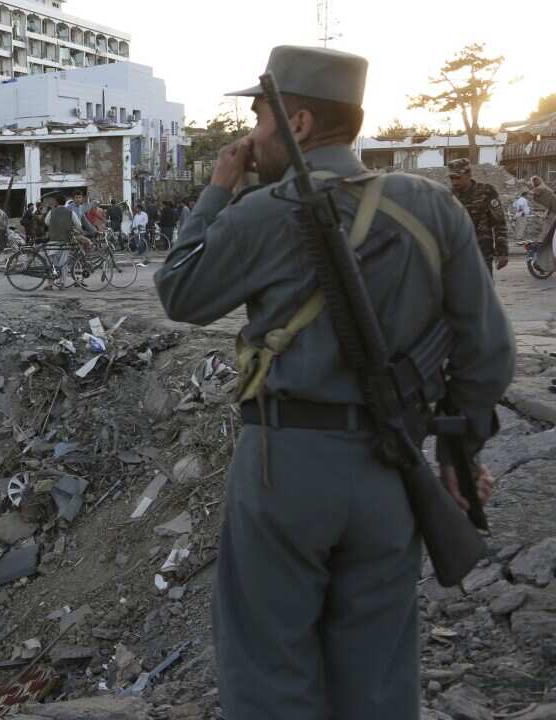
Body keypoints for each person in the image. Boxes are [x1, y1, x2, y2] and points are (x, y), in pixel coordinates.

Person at [154, 45, 515, 720]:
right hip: (390, 467)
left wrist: (215, 191)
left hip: (283, 466)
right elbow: (487, 354)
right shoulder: (432, 209)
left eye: (260, 116)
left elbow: (179, 290)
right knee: (378, 679)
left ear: (299, 120)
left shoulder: (262, 210)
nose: (250, 135)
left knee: (270, 672)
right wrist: (459, 454)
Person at [447, 158, 508, 276]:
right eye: (451, 178)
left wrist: (502, 252)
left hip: (482, 253)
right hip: (456, 255)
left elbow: (499, 222)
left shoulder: (486, 191)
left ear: (469, 174)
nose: (454, 182)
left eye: (458, 177)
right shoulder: (448, 195)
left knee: (483, 292)